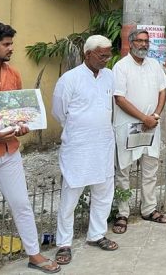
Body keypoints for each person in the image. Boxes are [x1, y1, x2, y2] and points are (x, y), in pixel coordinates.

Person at [0, 23, 60, 275]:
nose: (11, 49)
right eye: (6, 44)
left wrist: (22, 126)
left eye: (10, 43)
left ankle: (35, 255)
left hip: (9, 152)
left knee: (22, 204)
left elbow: (15, 111)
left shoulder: (13, 74)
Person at [52, 35, 118, 265]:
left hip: (103, 144)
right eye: (102, 55)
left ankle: (96, 234)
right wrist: (80, 128)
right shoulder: (69, 79)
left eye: (108, 55)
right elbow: (59, 112)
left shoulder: (109, 76)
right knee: (71, 196)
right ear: (87, 54)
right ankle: (64, 243)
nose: (106, 59)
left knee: (103, 193)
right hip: (78, 146)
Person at [112, 29, 166, 234]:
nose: (144, 44)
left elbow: (163, 91)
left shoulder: (154, 65)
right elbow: (119, 98)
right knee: (124, 171)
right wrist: (142, 118)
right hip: (128, 127)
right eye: (140, 41)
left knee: (150, 168)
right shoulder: (120, 67)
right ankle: (122, 213)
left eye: (146, 41)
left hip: (150, 126)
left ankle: (149, 209)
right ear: (130, 43)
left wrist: (154, 116)